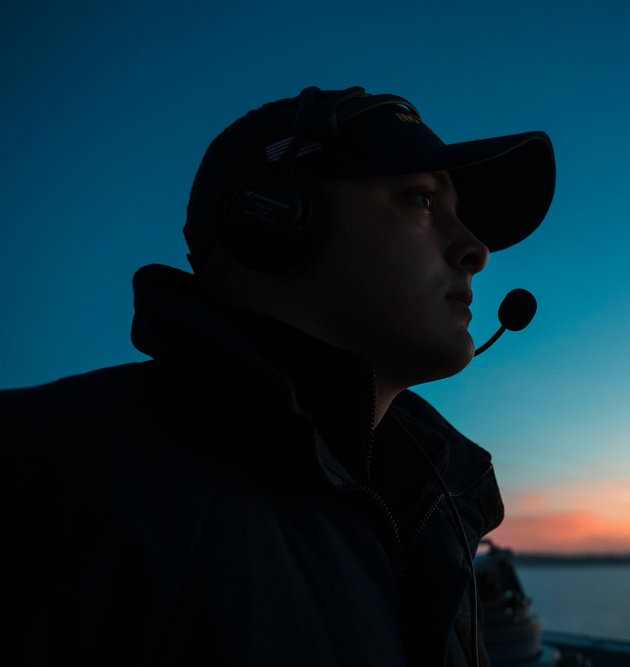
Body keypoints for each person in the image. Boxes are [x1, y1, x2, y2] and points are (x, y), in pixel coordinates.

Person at [1, 85, 555, 666]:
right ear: (273, 217)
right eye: (419, 200)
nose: (476, 249)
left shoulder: (431, 507)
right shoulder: (51, 475)